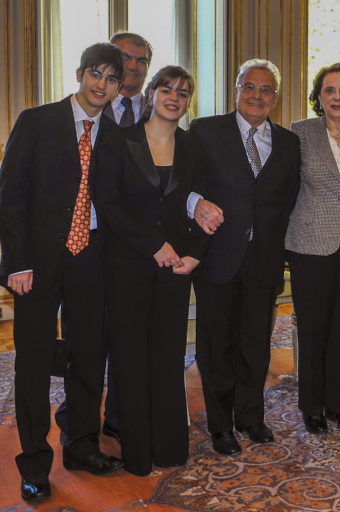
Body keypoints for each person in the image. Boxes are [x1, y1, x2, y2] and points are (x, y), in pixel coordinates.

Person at [0, 42, 125, 503]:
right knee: (33, 362)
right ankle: (34, 464)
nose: (102, 85)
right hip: (37, 261)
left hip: (91, 258)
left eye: (112, 79)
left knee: (88, 355)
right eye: (96, 74)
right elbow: (10, 196)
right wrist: (16, 263)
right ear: (79, 73)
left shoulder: (113, 135)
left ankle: (81, 445)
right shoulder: (37, 121)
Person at [94, 66, 206, 476]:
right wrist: (152, 245)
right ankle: (138, 452)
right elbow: (107, 204)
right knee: (130, 359)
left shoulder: (192, 147)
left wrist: (192, 252)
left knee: (167, 356)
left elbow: (199, 203)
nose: (174, 97)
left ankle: (171, 447)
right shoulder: (119, 140)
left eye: (183, 92)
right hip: (127, 266)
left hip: (174, 270)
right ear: (153, 93)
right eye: (167, 88)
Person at [189, 59, 300, 456]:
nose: (257, 95)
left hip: (265, 260)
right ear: (236, 89)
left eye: (266, 89)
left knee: (256, 344)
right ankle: (220, 426)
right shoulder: (205, 131)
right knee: (216, 346)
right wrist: (196, 205)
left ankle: (250, 417)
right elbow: (189, 186)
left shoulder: (289, 143)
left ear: (276, 97)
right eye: (249, 86)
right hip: (217, 257)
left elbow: (287, 201)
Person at [55, 31, 153, 446]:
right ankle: (75, 417)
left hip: (132, 249)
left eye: (140, 60)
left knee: (127, 337)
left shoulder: (162, 108)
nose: (133, 67)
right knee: (86, 339)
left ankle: (116, 417)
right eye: (124, 60)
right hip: (86, 244)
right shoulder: (78, 113)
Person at [285, 63, 340, 434]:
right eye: (329, 90)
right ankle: (312, 406)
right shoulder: (299, 132)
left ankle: (339, 405)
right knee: (313, 328)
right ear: (318, 97)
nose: (337, 97)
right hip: (309, 243)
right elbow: (286, 188)